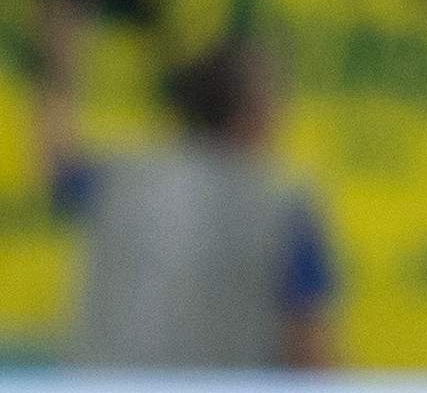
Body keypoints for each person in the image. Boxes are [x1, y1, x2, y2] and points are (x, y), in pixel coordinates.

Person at [42, 26, 333, 370]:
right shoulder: (283, 210)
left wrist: (58, 65)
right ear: (253, 112)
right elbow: (309, 357)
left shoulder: (119, 178)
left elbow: (54, 166)